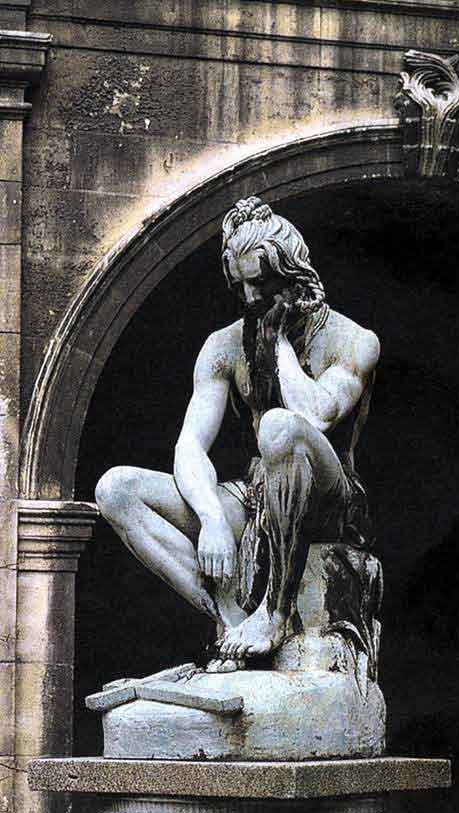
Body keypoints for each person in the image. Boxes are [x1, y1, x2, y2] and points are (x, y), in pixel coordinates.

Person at [95, 196, 380, 664]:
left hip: (329, 501)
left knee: (280, 426)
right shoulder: (223, 346)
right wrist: (211, 518)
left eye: (261, 284)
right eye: (240, 285)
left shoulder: (353, 340)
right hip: (255, 496)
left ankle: (276, 613)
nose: (249, 299)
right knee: (116, 489)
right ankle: (229, 618)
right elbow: (190, 445)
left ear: (294, 277)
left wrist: (278, 343)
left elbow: (317, 414)